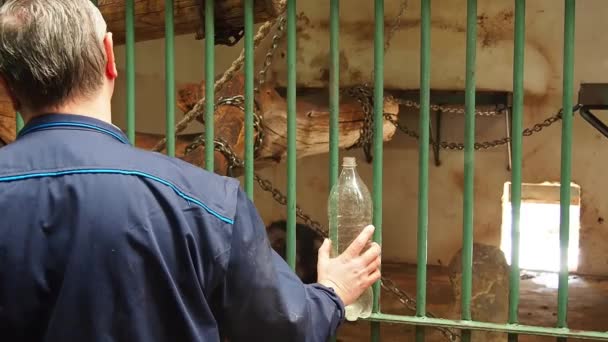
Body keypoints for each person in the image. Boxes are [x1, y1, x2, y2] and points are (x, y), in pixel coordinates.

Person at [0, 1, 382, 341]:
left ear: (9, 88)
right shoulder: (207, 202)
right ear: (108, 58)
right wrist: (331, 291)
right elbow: (283, 327)